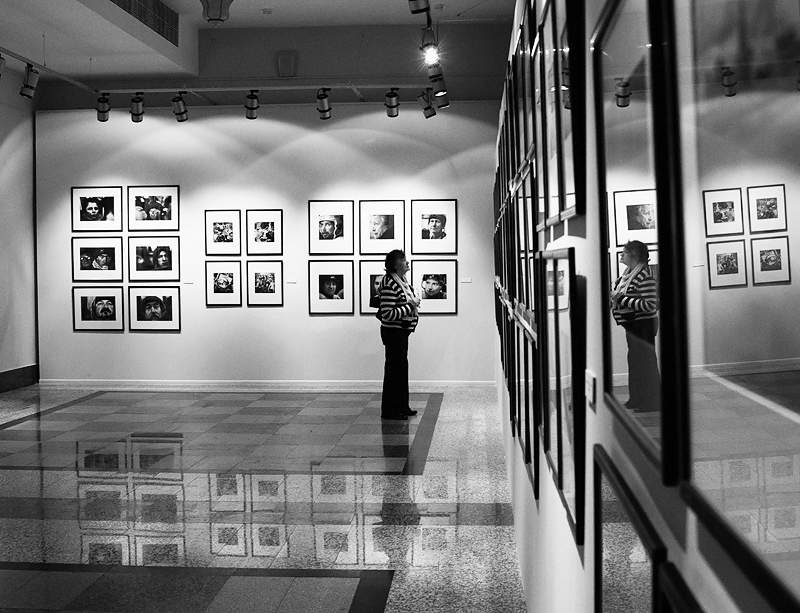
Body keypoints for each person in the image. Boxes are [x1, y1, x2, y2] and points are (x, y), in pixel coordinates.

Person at [610, 240, 661, 413]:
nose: (621, 255)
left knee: (645, 363)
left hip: (643, 326)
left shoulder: (644, 274)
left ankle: (652, 402)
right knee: (635, 362)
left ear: (635, 255)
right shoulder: (628, 273)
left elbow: (650, 304)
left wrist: (620, 298)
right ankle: (637, 399)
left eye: (625, 252)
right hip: (633, 326)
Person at [377, 249, 421, 420]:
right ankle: (390, 410)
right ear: (395, 265)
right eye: (403, 260)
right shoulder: (390, 283)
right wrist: (411, 305)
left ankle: (402, 406)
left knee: (401, 370)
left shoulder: (401, 280)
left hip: (401, 333)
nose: (407, 262)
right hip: (393, 333)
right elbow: (388, 314)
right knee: (393, 371)